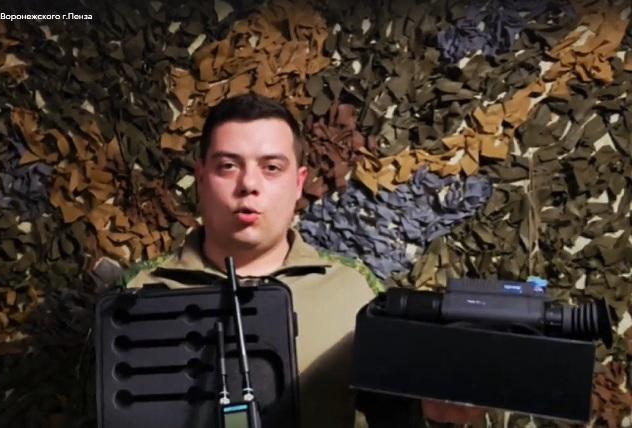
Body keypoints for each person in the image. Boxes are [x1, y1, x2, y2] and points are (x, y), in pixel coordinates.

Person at [122, 93, 483, 427]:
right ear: (201, 178)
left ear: (298, 183)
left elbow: (397, 411)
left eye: (271, 167)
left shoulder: (354, 292)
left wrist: (437, 409)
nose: (249, 184)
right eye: (228, 166)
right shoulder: (137, 293)